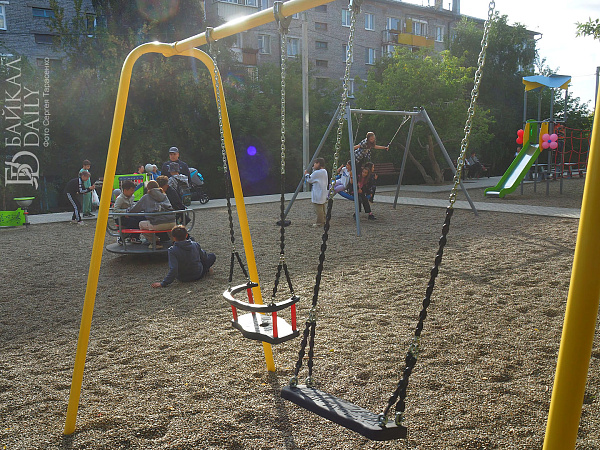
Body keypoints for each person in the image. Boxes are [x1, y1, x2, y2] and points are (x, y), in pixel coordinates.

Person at [151, 225, 216, 288]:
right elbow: (204, 257)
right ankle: (206, 270)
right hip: (197, 274)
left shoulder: (172, 250)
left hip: (182, 277)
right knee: (212, 256)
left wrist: (163, 283)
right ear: (186, 235)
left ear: (173, 237)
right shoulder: (195, 244)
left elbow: (174, 268)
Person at [127, 180, 176, 249]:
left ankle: (155, 242)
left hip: (157, 223)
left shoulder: (146, 197)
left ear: (148, 188)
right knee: (168, 224)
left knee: (141, 224)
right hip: (172, 222)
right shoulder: (164, 196)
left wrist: (127, 211)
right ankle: (175, 242)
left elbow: (135, 209)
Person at [304, 157, 328, 227]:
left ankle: (319, 223)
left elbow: (309, 179)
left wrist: (306, 174)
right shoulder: (324, 171)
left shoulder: (318, 172)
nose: (313, 165)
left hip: (318, 193)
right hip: (322, 192)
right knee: (322, 208)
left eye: (315, 163)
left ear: (318, 164)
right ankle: (324, 220)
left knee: (318, 209)